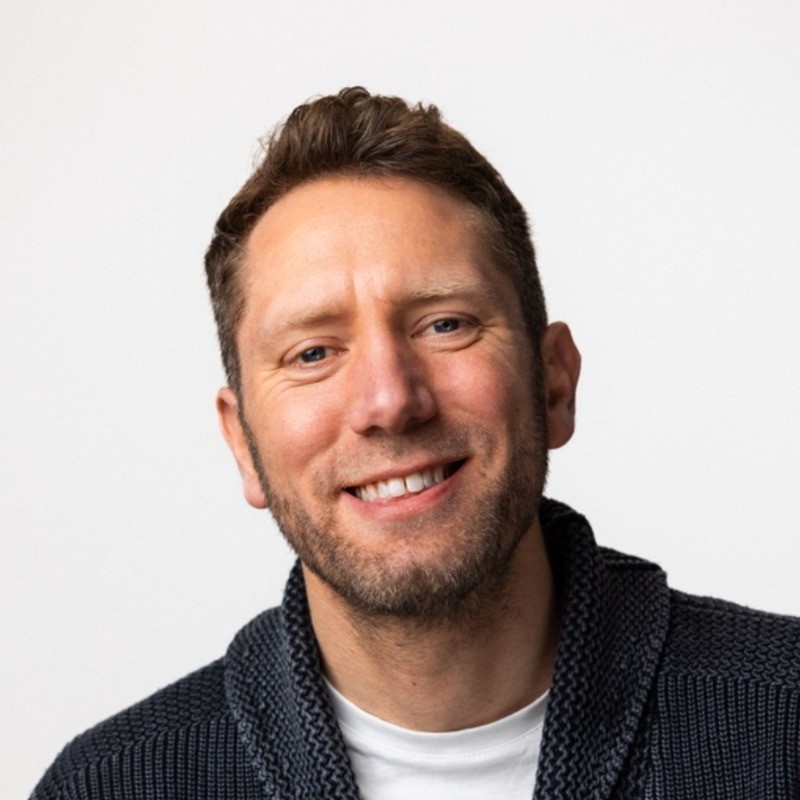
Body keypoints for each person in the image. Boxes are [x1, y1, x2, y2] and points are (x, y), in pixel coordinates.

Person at [32, 87, 799, 800]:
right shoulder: (111, 786)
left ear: (554, 382)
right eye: (312, 353)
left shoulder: (783, 723)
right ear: (243, 443)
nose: (390, 401)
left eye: (445, 324)